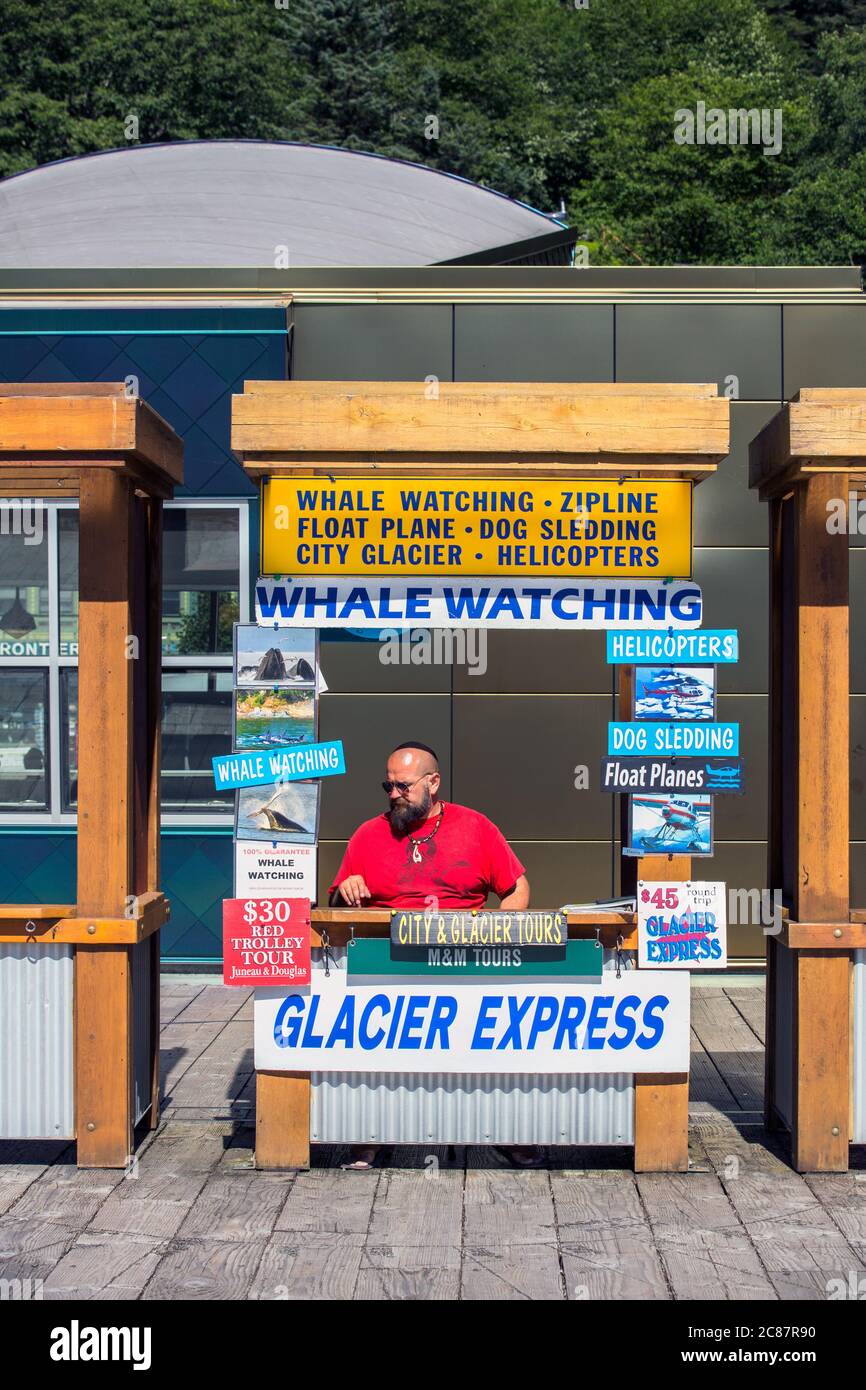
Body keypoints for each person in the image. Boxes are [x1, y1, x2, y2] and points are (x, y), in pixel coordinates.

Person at [330, 740, 540, 1170]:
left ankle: (510, 1132)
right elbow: (335, 900)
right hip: (388, 967)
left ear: (433, 782)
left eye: (403, 786)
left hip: (466, 961)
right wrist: (346, 888)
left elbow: (517, 887)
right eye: (387, 785)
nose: (393, 794)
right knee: (372, 1046)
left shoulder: (475, 827)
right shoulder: (369, 834)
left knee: (498, 1041)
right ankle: (368, 1136)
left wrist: (501, 928)